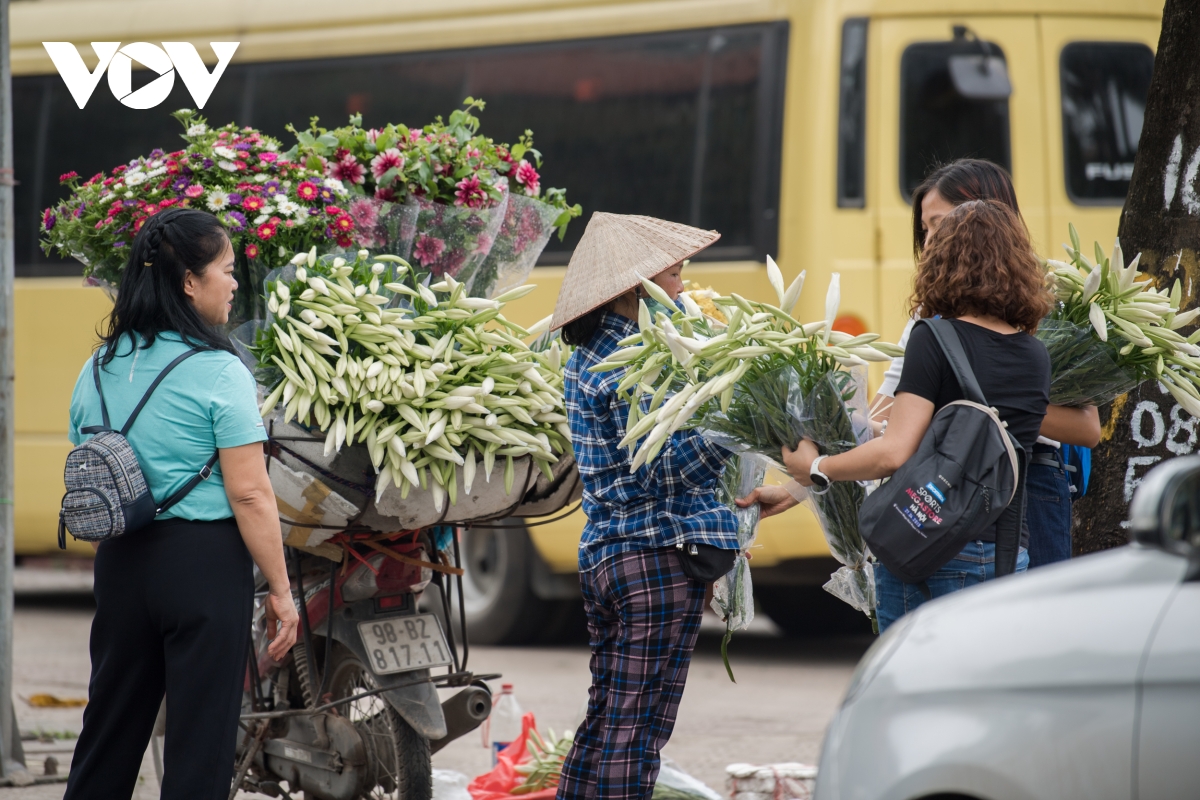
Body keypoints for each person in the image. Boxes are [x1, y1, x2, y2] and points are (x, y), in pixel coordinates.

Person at [63, 208, 299, 800]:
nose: (235, 282)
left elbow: (92, 458)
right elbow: (248, 492)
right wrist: (280, 589)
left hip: (120, 563)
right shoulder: (220, 371)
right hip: (202, 566)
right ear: (190, 282)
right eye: (225, 269)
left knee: (109, 732)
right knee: (200, 745)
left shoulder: (98, 364)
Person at [742, 200, 1052, 631]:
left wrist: (815, 467)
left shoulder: (935, 338)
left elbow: (894, 452)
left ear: (945, 259)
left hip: (926, 536)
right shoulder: (1036, 354)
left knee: (908, 689)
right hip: (999, 549)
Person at [552, 212, 738, 800]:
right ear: (635, 283)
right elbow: (667, 467)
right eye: (669, 266)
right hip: (654, 558)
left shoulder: (592, 351)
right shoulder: (635, 358)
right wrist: (736, 426)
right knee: (637, 730)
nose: (681, 271)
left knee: (609, 717)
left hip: (609, 554)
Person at [872, 159, 1100, 567]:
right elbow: (886, 414)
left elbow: (1087, 428)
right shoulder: (930, 315)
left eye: (939, 225)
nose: (928, 243)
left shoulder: (1044, 304)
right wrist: (806, 481)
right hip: (948, 485)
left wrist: (978, 402)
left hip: (1029, 484)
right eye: (924, 229)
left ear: (985, 218)